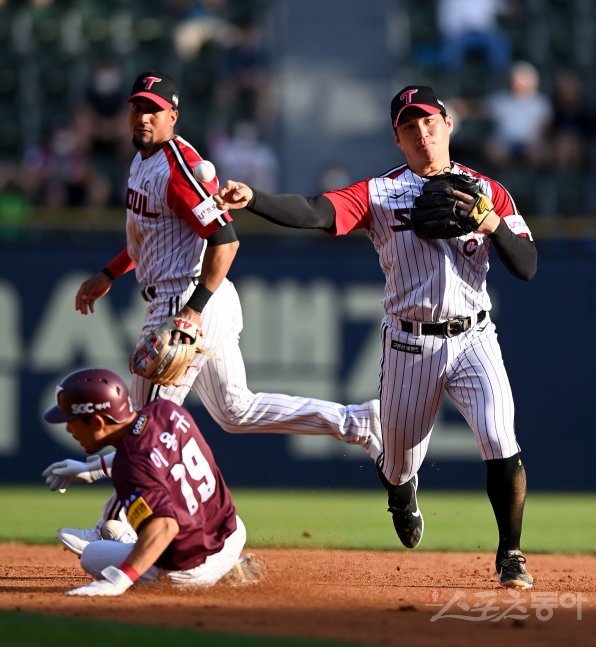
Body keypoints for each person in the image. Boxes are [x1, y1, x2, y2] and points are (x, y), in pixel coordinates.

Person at [42, 70, 382, 555]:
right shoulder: (141, 162)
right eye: (137, 108)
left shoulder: (177, 167)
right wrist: (109, 273)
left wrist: (193, 312)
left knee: (145, 421)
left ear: (173, 116)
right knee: (234, 410)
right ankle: (356, 422)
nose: (143, 117)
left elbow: (226, 240)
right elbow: (148, 238)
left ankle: (112, 524)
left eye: (154, 110)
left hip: (185, 299)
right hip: (190, 297)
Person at [214, 85, 538, 590]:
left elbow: (527, 265)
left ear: (448, 124)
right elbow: (316, 211)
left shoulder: (489, 192)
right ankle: (402, 492)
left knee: (501, 440)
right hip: (410, 344)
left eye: (428, 122)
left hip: (475, 335)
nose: (421, 133)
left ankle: (511, 554)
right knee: (400, 459)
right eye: (409, 127)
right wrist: (254, 198)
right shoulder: (380, 193)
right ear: (397, 138)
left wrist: (493, 223)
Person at [43, 367, 258, 596]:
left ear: (97, 422)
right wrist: (91, 469)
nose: (68, 429)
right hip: (232, 536)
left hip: (191, 570)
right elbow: (150, 453)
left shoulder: (129, 467)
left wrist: (117, 581)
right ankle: (226, 567)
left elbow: (164, 527)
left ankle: (133, 542)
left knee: (91, 555)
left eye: (72, 420)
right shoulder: (167, 411)